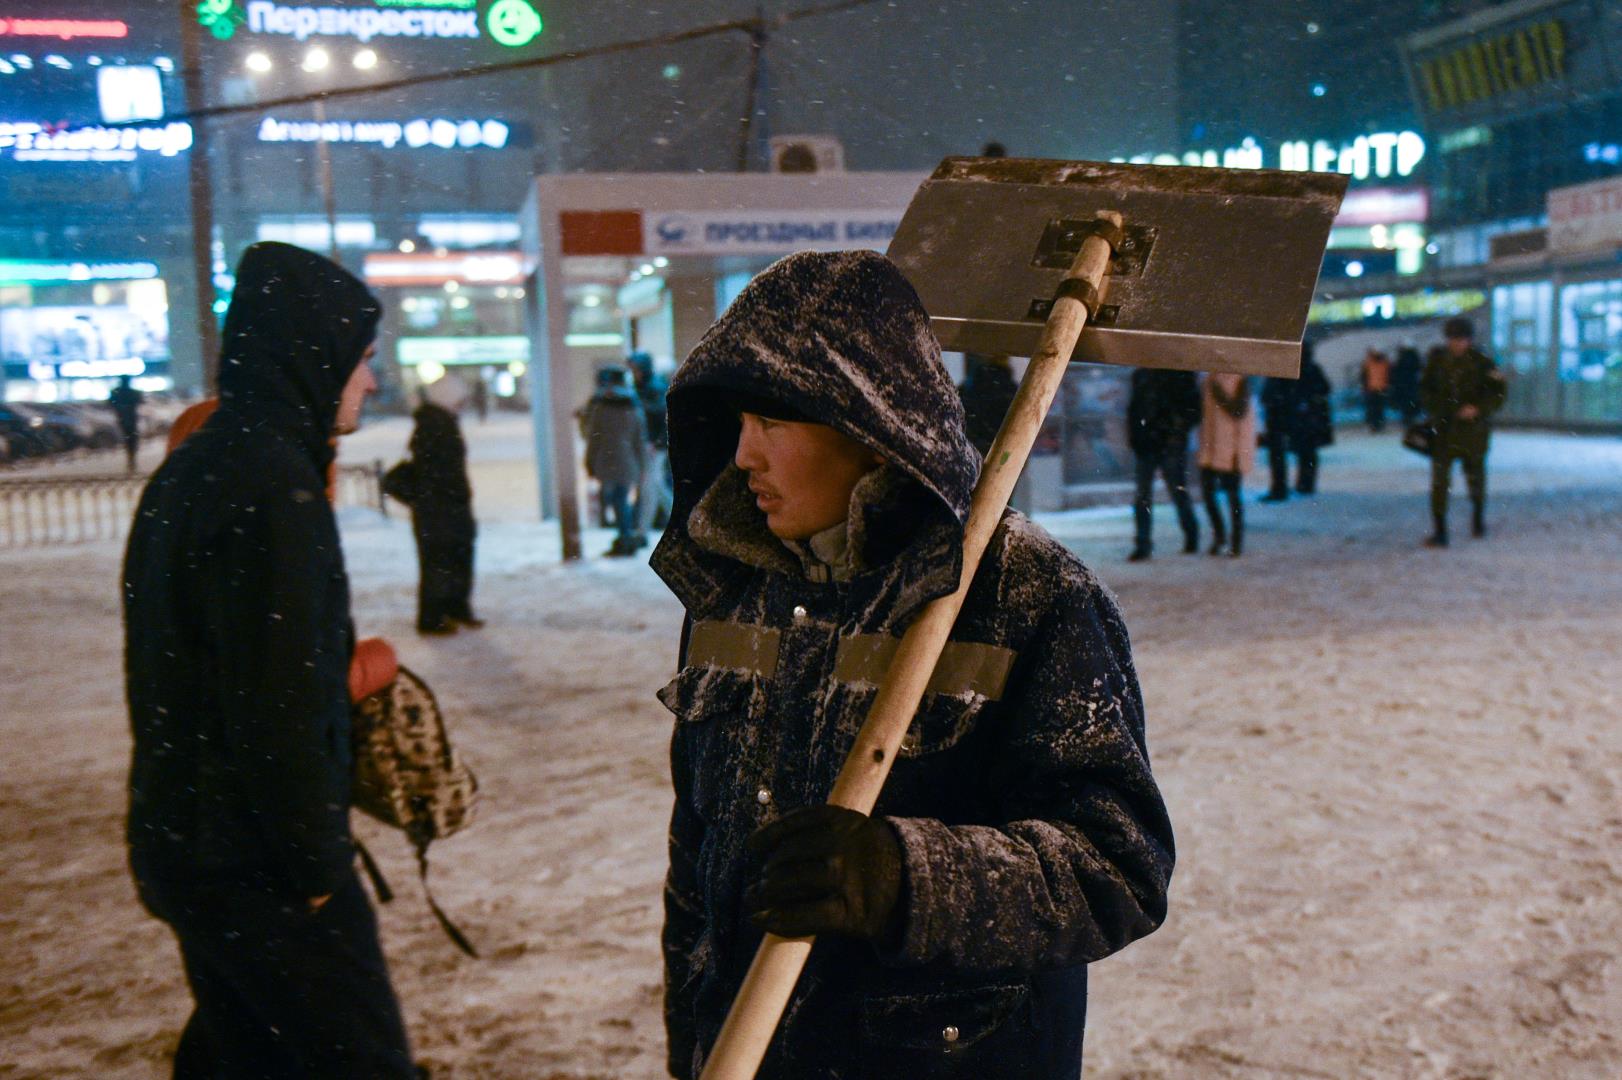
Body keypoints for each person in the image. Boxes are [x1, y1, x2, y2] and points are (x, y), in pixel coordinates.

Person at [651, 251, 1174, 1079]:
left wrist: (902, 878)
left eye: (774, 424)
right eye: (737, 423)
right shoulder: (730, 596)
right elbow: (695, 855)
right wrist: (693, 1034)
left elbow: (1117, 867)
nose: (743, 455)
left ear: (869, 431)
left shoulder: (1029, 598)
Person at [122, 242, 415, 1079]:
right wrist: (318, 872)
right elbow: (275, 704)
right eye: (362, 360)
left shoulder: (192, 473)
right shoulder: (273, 488)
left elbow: (181, 673)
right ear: (312, 354)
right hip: (263, 871)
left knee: (242, 1056)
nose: (370, 381)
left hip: (191, 842)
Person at [385, 402, 482, 634]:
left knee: (455, 558)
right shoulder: (434, 426)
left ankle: (453, 608)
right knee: (438, 562)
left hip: (448, 507)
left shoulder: (441, 423)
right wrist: (446, 496)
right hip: (439, 509)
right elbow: (436, 472)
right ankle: (433, 617)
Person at [1419, 316, 1507, 547]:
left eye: (1461, 339)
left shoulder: (1483, 363)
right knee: (1439, 483)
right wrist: (1450, 408)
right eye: (1453, 339)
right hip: (1445, 431)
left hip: (1473, 432)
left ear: (1469, 339)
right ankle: (1440, 531)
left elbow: (1498, 393)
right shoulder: (1436, 362)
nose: (1457, 344)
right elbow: (1426, 392)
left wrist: (1478, 409)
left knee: (1476, 480)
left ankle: (1478, 520)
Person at [1125, 367, 1201, 560]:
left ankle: (1149, 542)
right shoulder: (1147, 374)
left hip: (1164, 442)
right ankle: (1145, 543)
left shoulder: (1174, 374)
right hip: (1154, 443)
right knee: (1155, 494)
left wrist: (1173, 430)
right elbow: (1135, 409)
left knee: (1172, 491)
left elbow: (1193, 410)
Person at [580, 364, 649, 556]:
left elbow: (593, 438)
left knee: (612, 499)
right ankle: (626, 536)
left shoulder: (600, 407)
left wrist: (589, 462)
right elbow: (640, 439)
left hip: (605, 460)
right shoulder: (634, 406)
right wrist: (642, 466)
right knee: (622, 498)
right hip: (628, 461)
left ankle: (624, 537)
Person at [1196, 371, 1255, 557]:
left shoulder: (1239, 380)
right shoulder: (1209, 381)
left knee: (1232, 496)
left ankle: (1235, 541)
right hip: (1210, 447)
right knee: (1210, 495)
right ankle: (1220, 536)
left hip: (1231, 450)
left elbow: (1239, 412)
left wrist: (1218, 392)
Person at [628, 351, 674, 533]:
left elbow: (664, 418)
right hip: (650, 444)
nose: (633, 372)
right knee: (653, 485)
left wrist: (657, 442)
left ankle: (643, 528)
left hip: (654, 445)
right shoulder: (642, 387)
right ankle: (646, 526)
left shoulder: (654, 388)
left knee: (652, 485)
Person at [108, 373, 143, 472]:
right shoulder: (131, 393)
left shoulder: (117, 392)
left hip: (124, 419)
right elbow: (139, 401)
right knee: (131, 439)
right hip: (129, 418)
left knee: (129, 439)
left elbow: (111, 403)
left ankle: (131, 460)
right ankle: (131, 460)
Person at [1361, 346, 1392, 433]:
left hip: (1371, 388)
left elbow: (1364, 376)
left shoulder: (1368, 363)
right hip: (1382, 388)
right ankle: (1379, 424)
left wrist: (1364, 386)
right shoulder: (1385, 363)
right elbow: (1389, 375)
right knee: (1379, 408)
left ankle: (1373, 425)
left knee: (1372, 408)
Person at [1393, 344, 1423, 424]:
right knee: (1412, 404)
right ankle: (1411, 418)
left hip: (1404, 386)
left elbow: (1396, 374)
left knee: (1406, 405)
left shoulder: (1401, 360)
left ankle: (1408, 419)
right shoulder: (1416, 359)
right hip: (1412, 386)